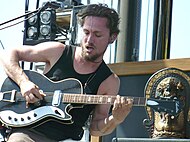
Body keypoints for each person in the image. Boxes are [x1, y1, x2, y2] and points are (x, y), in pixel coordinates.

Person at [0, 3, 133, 142]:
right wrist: (24, 82)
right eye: (86, 32)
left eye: (97, 35)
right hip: (28, 133)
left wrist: (115, 119)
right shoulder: (58, 52)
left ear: (112, 37)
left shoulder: (109, 81)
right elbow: (8, 54)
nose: (89, 40)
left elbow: (95, 127)